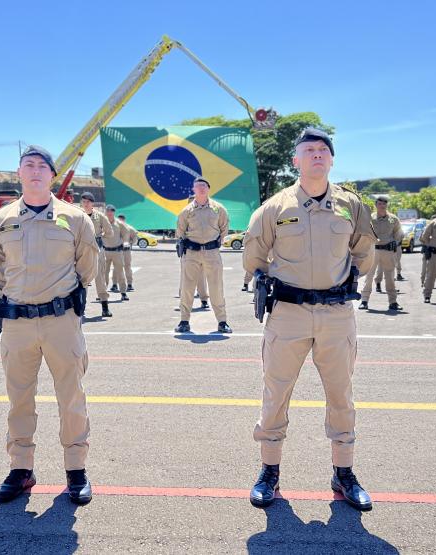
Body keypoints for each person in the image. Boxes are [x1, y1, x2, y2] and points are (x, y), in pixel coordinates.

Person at [243, 128, 376, 511]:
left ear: (331, 160)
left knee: (341, 395)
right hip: (288, 314)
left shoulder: (351, 205)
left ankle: (343, 473)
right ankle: (269, 471)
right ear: (295, 161)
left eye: (323, 150)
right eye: (309, 150)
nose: (317, 155)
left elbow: (365, 252)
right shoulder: (274, 208)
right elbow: (253, 257)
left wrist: (342, 278)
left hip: (336, 314)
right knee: (276, 393)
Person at [0, 145, 99, 506]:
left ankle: (76, 470)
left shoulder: (75, 219)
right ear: (19, 173)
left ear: (52, 175)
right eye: (28, 165)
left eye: (41, 166)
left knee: (71, 396)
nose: (35, 171)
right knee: (19, 398)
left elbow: (87, 268)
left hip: (60, 321)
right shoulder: (0, 221)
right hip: (16, 322)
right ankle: (21, 469)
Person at [175, 177, 231, 334]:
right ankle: (184, 321)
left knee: (216, 287)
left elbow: (224, 228)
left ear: (208, 189)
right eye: (198, 186)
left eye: (204, 186)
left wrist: (215, 242)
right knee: (187, 287)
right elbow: (180, 232)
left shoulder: (218, 209)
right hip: (191, 253)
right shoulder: (186, 211)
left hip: (212, 252)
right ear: (193, 189)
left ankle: (222, 322)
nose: (201, 188)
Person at [359, 195, 402, 311]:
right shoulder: (370, 218)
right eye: (379, 203)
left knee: (390, 277)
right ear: (376, 205)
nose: (382, 206)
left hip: (388, 251)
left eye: (384, 204)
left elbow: (398, 233)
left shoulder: (393, 219)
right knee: (369, 276)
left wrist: (395, 243)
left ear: (387, 205)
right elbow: (363, 232)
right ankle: (364, 301)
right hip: (373, 250)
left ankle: (393, 302)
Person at [80, 192, 113, 317]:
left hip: (97, 250)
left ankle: (105, 307)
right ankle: (81, 308)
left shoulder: (99, 216)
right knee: (82, 280)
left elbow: (109, 232)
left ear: (92, 203)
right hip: (82, 251)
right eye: (84, 201)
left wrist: (99, 237)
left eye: (88, 201)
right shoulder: (79, 215)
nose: (86, 204)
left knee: (100, 279)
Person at [101, 206, 129, 300]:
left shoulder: (119, 223)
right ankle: (103, 293)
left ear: (114, 212)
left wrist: (125, 242)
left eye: (112, 211)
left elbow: (126, 233)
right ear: (105, 212)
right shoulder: (102, 223)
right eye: (108, 211)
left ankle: (123, 293)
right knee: (104, 273)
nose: (110, 213)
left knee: (120, 272)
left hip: (117, 251)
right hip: (105, 251)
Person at [116, 214, 137, 292]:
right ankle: (115, 284)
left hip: (126, 250)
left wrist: (129, 242)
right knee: (116, 267)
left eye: (121, 220)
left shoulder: (129, 228)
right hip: (116, 250)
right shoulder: (115, 227)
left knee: (127, 267)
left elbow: (135, 238)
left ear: (124, 220)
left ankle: (129, 284)